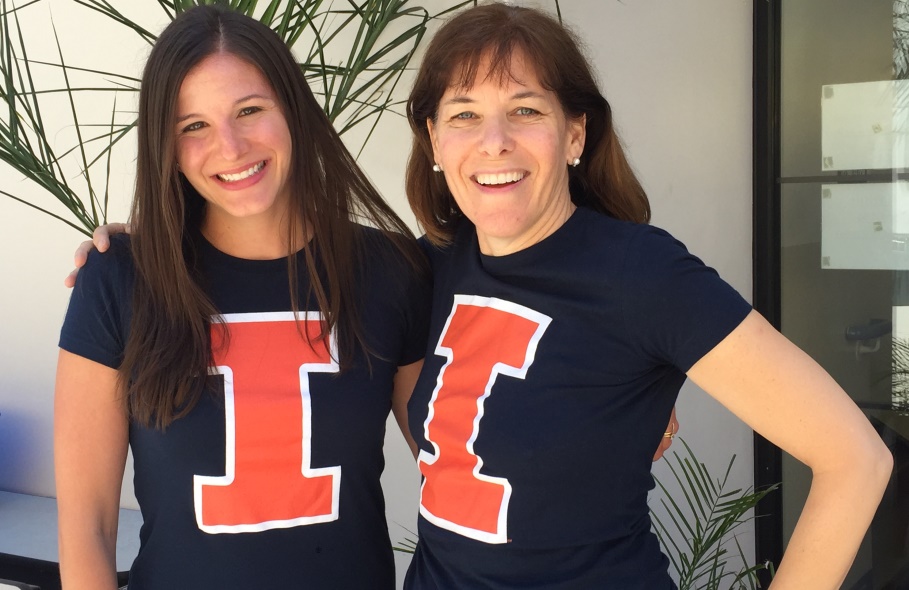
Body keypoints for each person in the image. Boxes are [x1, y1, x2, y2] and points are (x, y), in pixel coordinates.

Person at [397, 3, 892, 589]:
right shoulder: (421, 271)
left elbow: (855, 459)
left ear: (574, 132)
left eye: (524, 110)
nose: (494, 141)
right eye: (464, 115)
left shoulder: (642, 275)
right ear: (433, 138)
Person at [54, 5, 430, 589]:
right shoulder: (119, 280)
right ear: (166, 146)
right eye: (193, 125)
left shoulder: (390, 271)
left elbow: (456, 473)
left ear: (295, 112)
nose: (229, 146)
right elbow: (88, 527)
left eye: (250, 110)